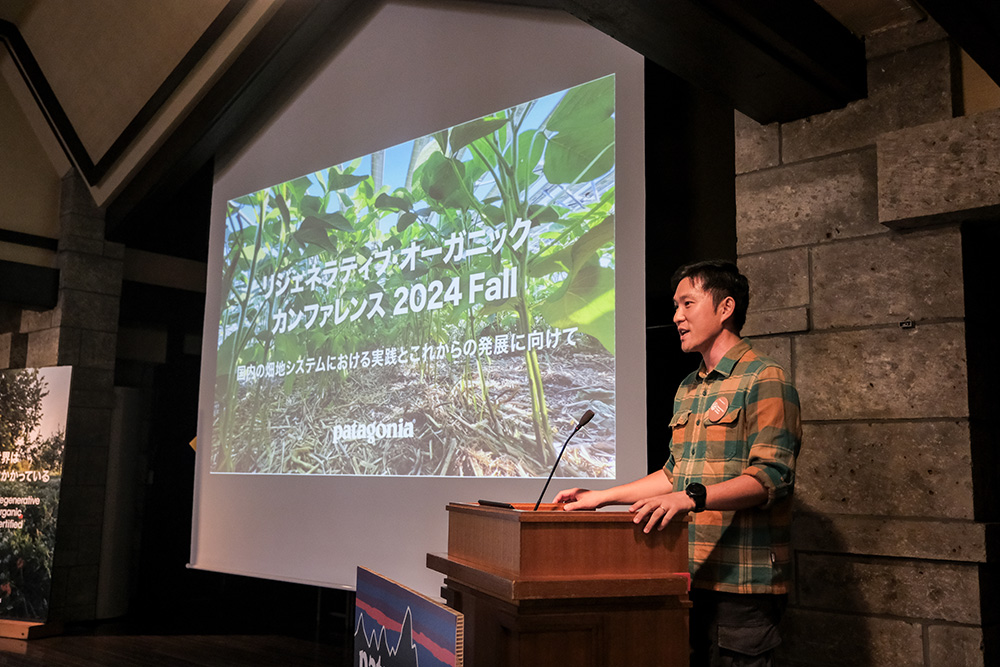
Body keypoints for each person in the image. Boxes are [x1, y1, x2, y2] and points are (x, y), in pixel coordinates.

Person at [555, 260, 801, 667]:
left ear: (725, 308)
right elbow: (674, 474)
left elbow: (772, 478)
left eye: (687, 303)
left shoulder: (764, 378)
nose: (676, 317)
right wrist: (602, 498)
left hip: (742, 583)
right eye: (675, 306)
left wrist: (690, 499)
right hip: (686, 571)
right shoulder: (688, 387)